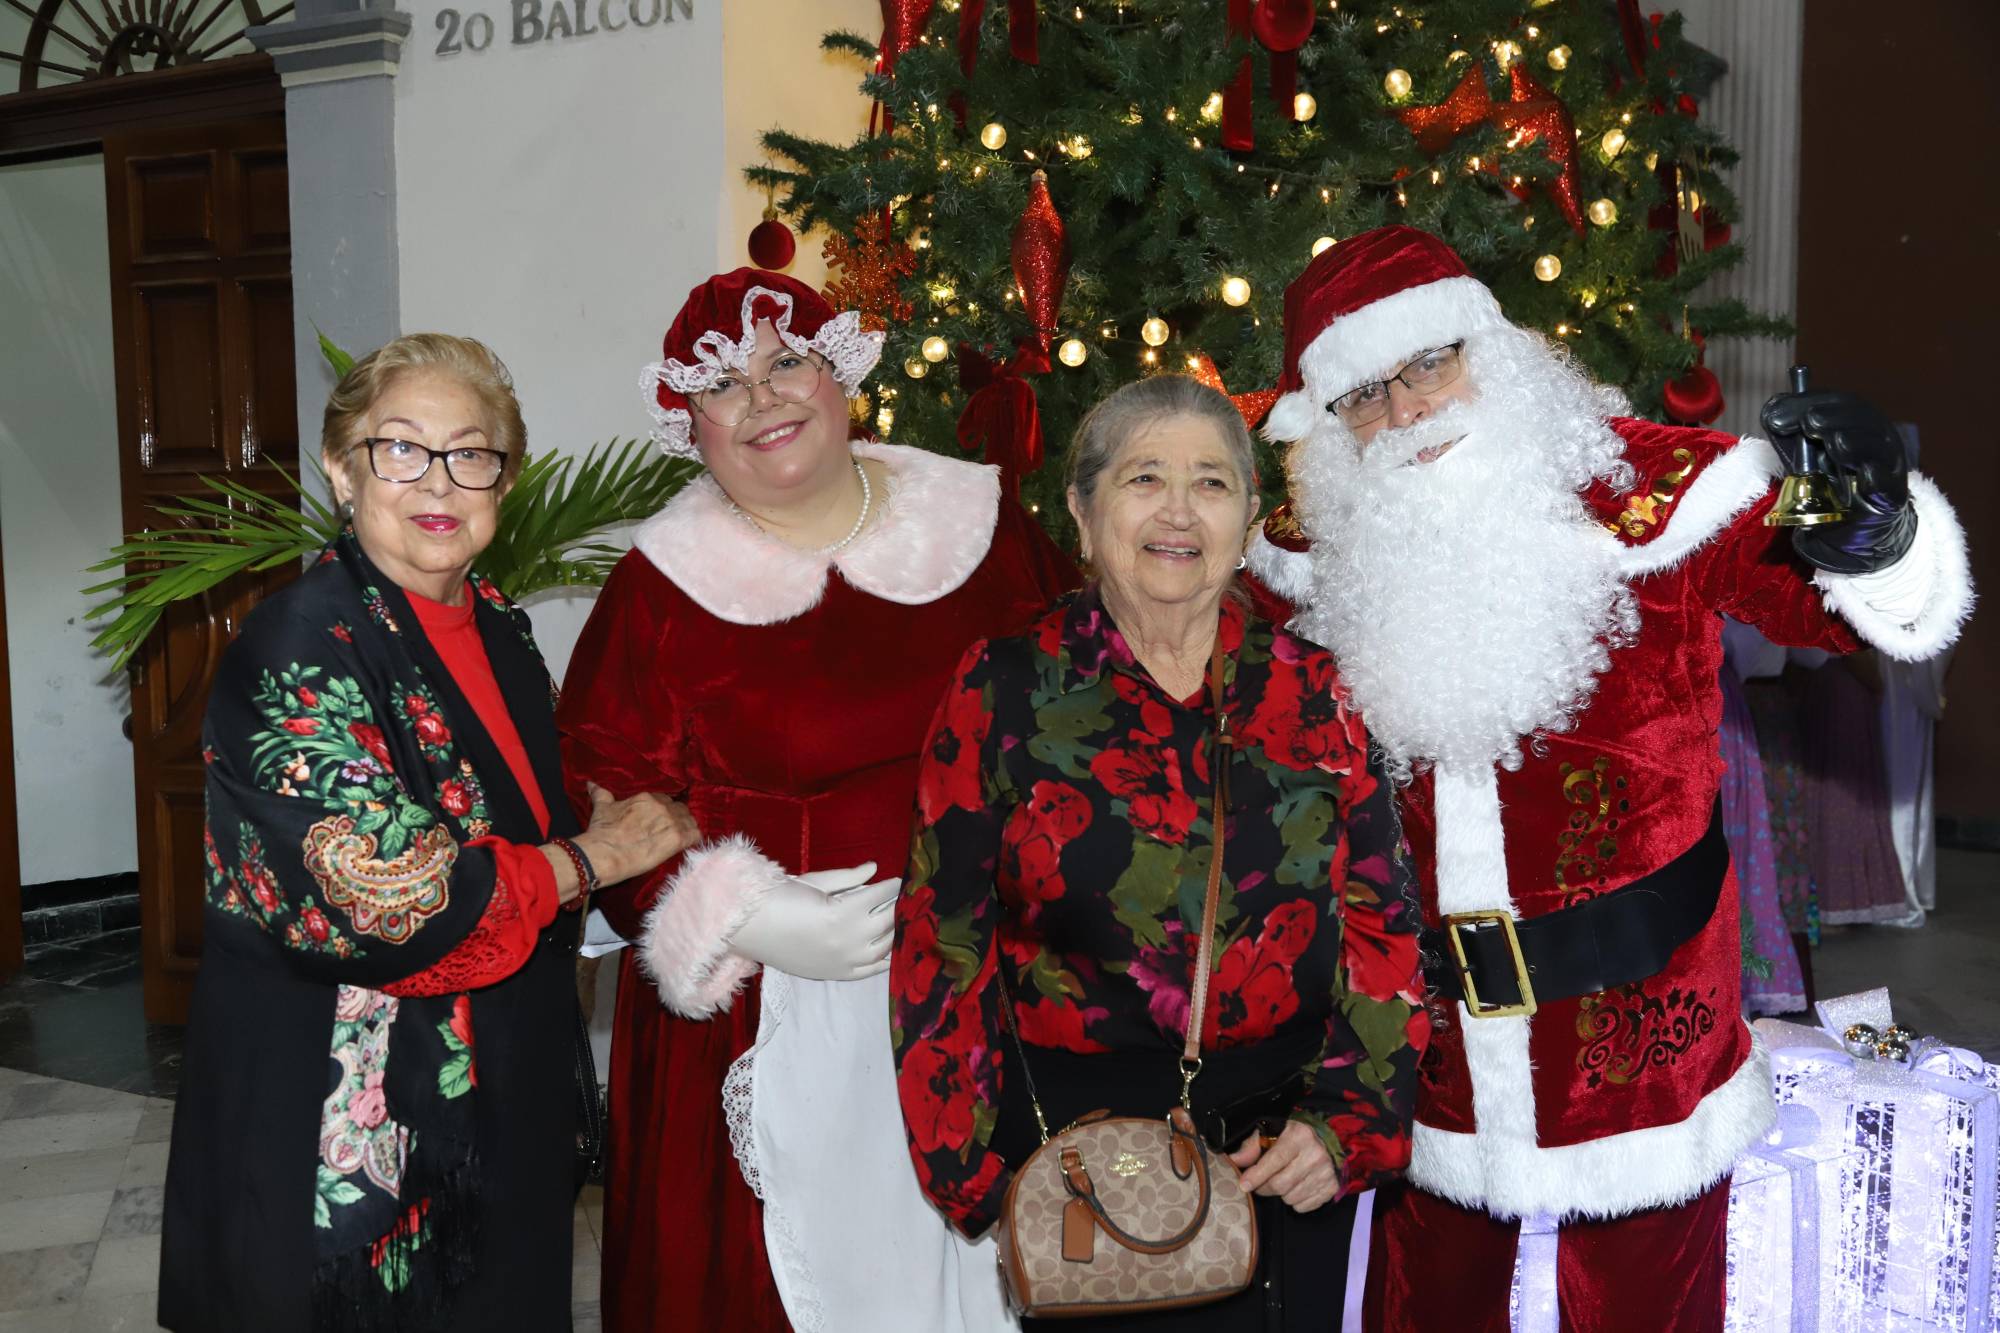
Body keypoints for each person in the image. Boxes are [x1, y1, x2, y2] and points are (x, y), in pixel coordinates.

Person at [1243, 225, 1974, 1332]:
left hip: (1640, 1042)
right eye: (1364, 395)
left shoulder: (1656, 490)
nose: (1406, 412)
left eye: (1429, 364)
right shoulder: (1310, 550)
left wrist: (1876, 534)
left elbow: (1835, 607)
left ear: (1493, 350)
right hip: (1425, 1051)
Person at [556, 268, 1075, 1333]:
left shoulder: (984, 526)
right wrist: (738, 911)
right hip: (761, 1010)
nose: (763, 399)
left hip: (990, 990)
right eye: (723, 384)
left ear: (840, 374)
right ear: (690, 424)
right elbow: (600, 795)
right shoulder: (657, 589)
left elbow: (1091, 713)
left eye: (786, 361)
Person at [159, 334, 698, 1331]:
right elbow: (394, 893)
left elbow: (517, 817)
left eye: (470, 452)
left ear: (505, 478)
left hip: (499, 1099)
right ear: (342, 468)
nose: (438, 480)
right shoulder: (296, 643)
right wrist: (599, 855)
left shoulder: (499, 625)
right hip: (337, 1124)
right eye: (400, 448)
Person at [893, 376, 1428, 1331]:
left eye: (1212, 483)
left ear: (1250, 517)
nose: (1179, 511)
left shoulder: (1318, 692)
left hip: (1284, 1164)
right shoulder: (1003, 689)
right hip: (1089, 1170)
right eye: (1144, 478)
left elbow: (1384, 926)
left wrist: (1347, 1125)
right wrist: (980, 1174)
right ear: (1082, 510)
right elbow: (941, 943)